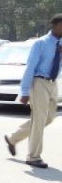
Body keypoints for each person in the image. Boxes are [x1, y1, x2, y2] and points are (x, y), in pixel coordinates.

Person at [4, 14, 62, 169]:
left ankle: (13, 138)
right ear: (55, 25)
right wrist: (24, 91)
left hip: (53, 83)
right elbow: (30, 67)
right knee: (39, 119)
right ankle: (33, 157)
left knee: (47, 119)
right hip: (39, 82)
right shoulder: (41, 43)